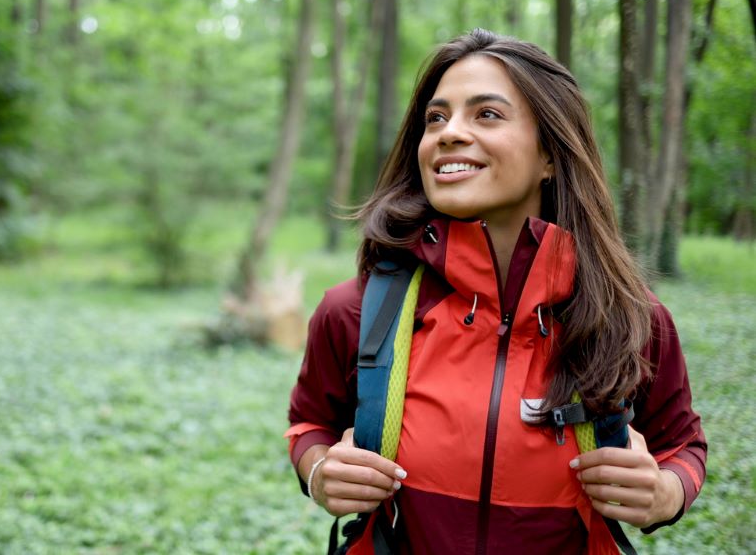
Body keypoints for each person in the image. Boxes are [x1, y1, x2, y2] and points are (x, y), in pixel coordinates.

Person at [285, 29, 706, 554]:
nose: (449, 133)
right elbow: (309, 424)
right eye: (435, 118)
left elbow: (682, 444)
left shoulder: (632, 318)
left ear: (549, 154)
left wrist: (666, 492)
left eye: (486, 114)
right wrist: (321, 468)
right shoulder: (356, 309)